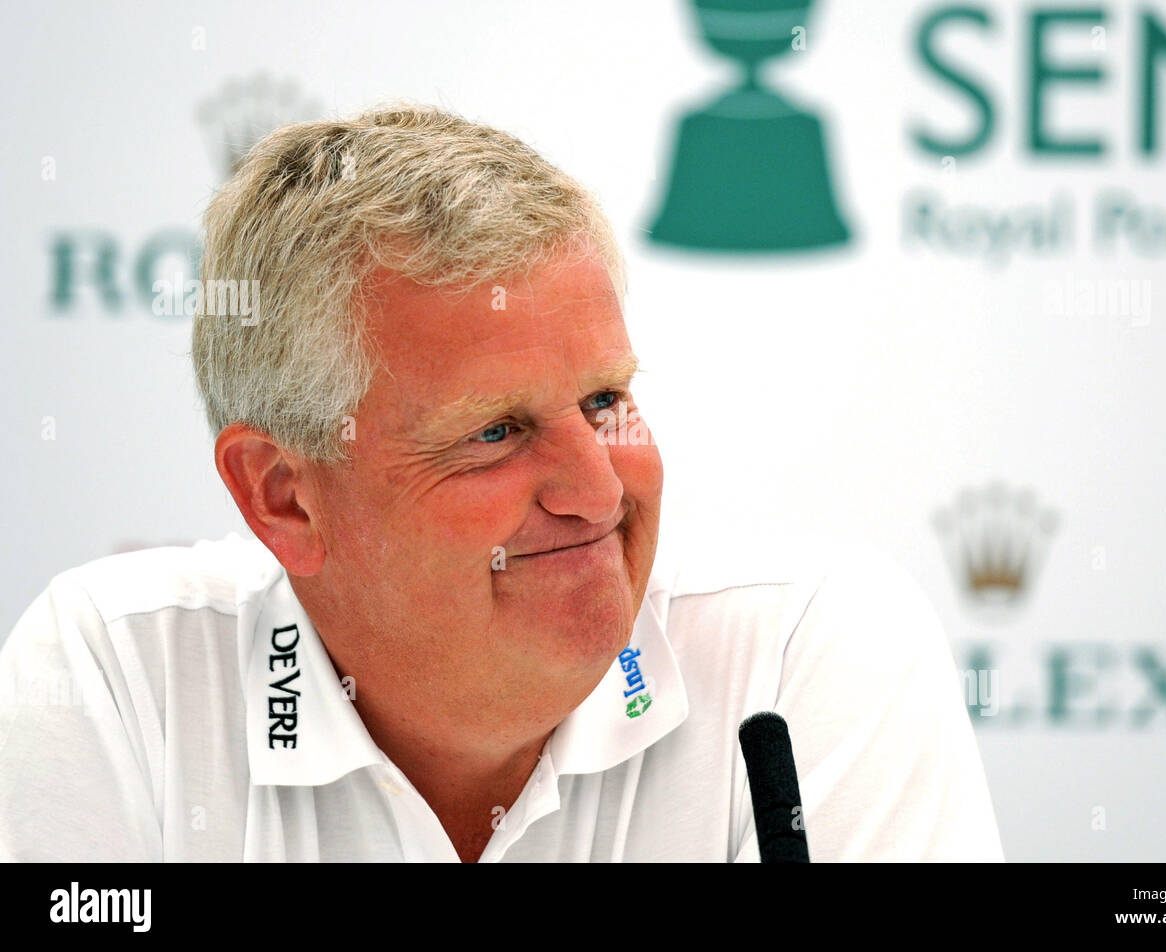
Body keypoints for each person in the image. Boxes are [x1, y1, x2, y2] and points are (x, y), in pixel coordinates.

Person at [0, 105, 1003, 862]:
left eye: (606, 399)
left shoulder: (801, 654)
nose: (595, 489)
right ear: (285, 497)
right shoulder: (122, 676)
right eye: (493, 430)